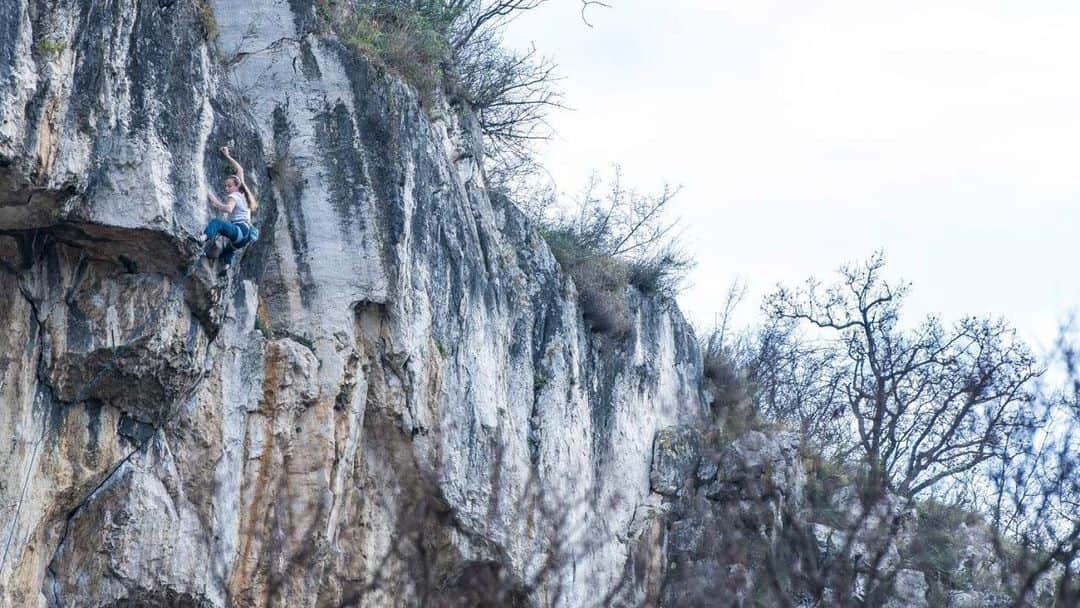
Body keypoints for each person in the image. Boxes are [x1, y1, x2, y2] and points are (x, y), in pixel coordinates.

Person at [204, 146, 258, 272]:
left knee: (217, 224)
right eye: (226, 186)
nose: (227, 189)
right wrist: (227, 156)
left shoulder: (235, 195)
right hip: (245, 237)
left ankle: (203, 238)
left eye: (229, 186)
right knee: (229, 249)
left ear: (236, 186)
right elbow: (240, 170)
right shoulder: (245, 193)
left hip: (241, 230)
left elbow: (228, 209)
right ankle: (226, 265)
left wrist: (213, 200)